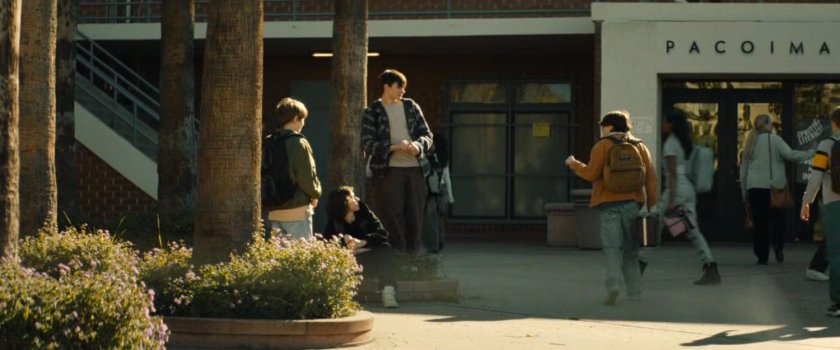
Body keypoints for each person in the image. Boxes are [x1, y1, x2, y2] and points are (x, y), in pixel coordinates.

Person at [565, 111, 657, 305]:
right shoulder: (640, 146)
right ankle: (635, 293)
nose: (602, 129)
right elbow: (650, 178)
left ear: (610, 127)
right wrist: (651, 205)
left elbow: (591, 174)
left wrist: (574, 164)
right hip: (633, 204)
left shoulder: (602, 145)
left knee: (612, 249)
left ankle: (613, 285)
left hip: (608, 205)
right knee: (631, 251)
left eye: (603, 125)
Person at [362, 69, 433, 254]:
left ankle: (415, 254)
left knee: (415, 214)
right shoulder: (373, 111)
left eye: (404, 87)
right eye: (399, 86)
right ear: (387, 87)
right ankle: (397, 253)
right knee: (390, 214)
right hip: (389, 170)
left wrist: (417, 146)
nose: (403, 91)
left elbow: (427, 134)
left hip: (416, 168)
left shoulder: (411, 106)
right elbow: (367, 143)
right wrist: (394, 147)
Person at [740, 114, 813, 265]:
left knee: (760, 224)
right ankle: (778, 247)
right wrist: (811, 152)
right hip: (774, 188)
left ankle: (762, 256)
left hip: (754, 187)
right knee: (778, 220)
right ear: (767, 124)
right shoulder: (775, 140)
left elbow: (744, 169)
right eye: (770, 123)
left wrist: (744, 191)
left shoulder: (749, 142)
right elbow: (790, 155)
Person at [659, 113, 720, 285]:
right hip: (688, 189)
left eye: (664, 121)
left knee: (653, 225)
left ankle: (637, 267)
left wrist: (670, 201)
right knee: (692, 231)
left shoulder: (670, 143)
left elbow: (671, 175)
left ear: (670, 124)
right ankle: (710, 266)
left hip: (676, 189)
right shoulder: (683, 141)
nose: (662, 124)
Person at [324, 186, 399, 308]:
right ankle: (341, 296)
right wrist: (344, 243)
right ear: (344, 203)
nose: (357, 199)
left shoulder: (365, 214)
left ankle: (388, 292)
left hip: (369, 259)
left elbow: (382, 233)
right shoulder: (334, 222)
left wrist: (362, 243)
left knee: (385, 248)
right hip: (349, 262)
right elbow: (328, 244)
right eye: (353, 197)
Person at [263, 97, 321, 240]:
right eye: (302, 119)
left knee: (279, 258)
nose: (303, 123)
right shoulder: (298, 142)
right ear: (296, 118)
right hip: (297, 209)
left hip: (274, 208)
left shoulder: (268, 141)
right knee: (300, 256)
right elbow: (306, 175)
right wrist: (315, 194)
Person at [801, 106, 840, 317]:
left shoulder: (826, 145)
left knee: (836, 255)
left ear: (833, 123)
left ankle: (838, 302)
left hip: (834, 204)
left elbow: (815, 178)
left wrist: (806, 202)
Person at [422, 134, 454, 253]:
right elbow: (447, 178)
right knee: (438, 219)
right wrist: (450, 198)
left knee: (432, 219)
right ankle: (439, 242)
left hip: (433, 191)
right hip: (442, 190)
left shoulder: (430, 158)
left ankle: (433, 245)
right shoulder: (442, 159)